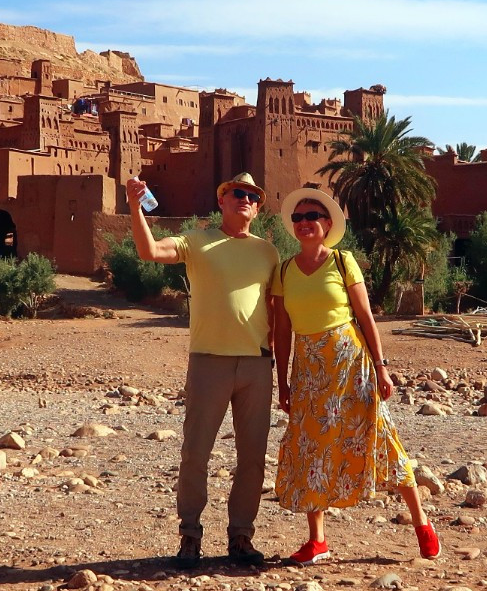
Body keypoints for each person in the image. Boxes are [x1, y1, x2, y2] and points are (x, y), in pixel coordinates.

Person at [268, 187, 438, 565]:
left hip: (351, 365)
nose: (304, 223)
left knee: (380, 436)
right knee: (311, 445)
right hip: (309, 369)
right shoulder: (284, 270)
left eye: (311, 216)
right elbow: (281, 330)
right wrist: (283, 382)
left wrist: (382, 368)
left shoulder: (343, 262)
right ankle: (318, 541)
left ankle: (421, 523)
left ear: (327, 224)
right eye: (297, 218)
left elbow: (365, 317)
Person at [126, 171, 280, 570]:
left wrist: (284, 371)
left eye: (251, 195)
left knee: (253, 457)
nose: (243, 198)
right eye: (236, 193)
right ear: (222, 201)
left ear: (258, 207)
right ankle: (190, 535)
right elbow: (150, 252)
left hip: (257, 364)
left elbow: (279, 314)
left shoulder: (268, 253)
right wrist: (134, 207)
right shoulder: (197, 240)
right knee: (196, 453)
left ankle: (241, 536)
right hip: (208, 362)